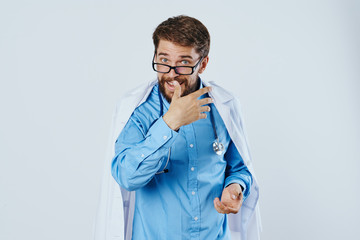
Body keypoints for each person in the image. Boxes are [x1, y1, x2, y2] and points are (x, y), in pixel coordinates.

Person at [94, 15, 261, 240]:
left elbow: (239, 168)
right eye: (163, 60)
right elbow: (126, 176)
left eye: (183, 63)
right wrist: (169, 123)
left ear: (202, 64)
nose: (171, 73)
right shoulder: (138, 111)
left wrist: (235, 187)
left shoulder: (224, 107)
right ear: (155, 56)